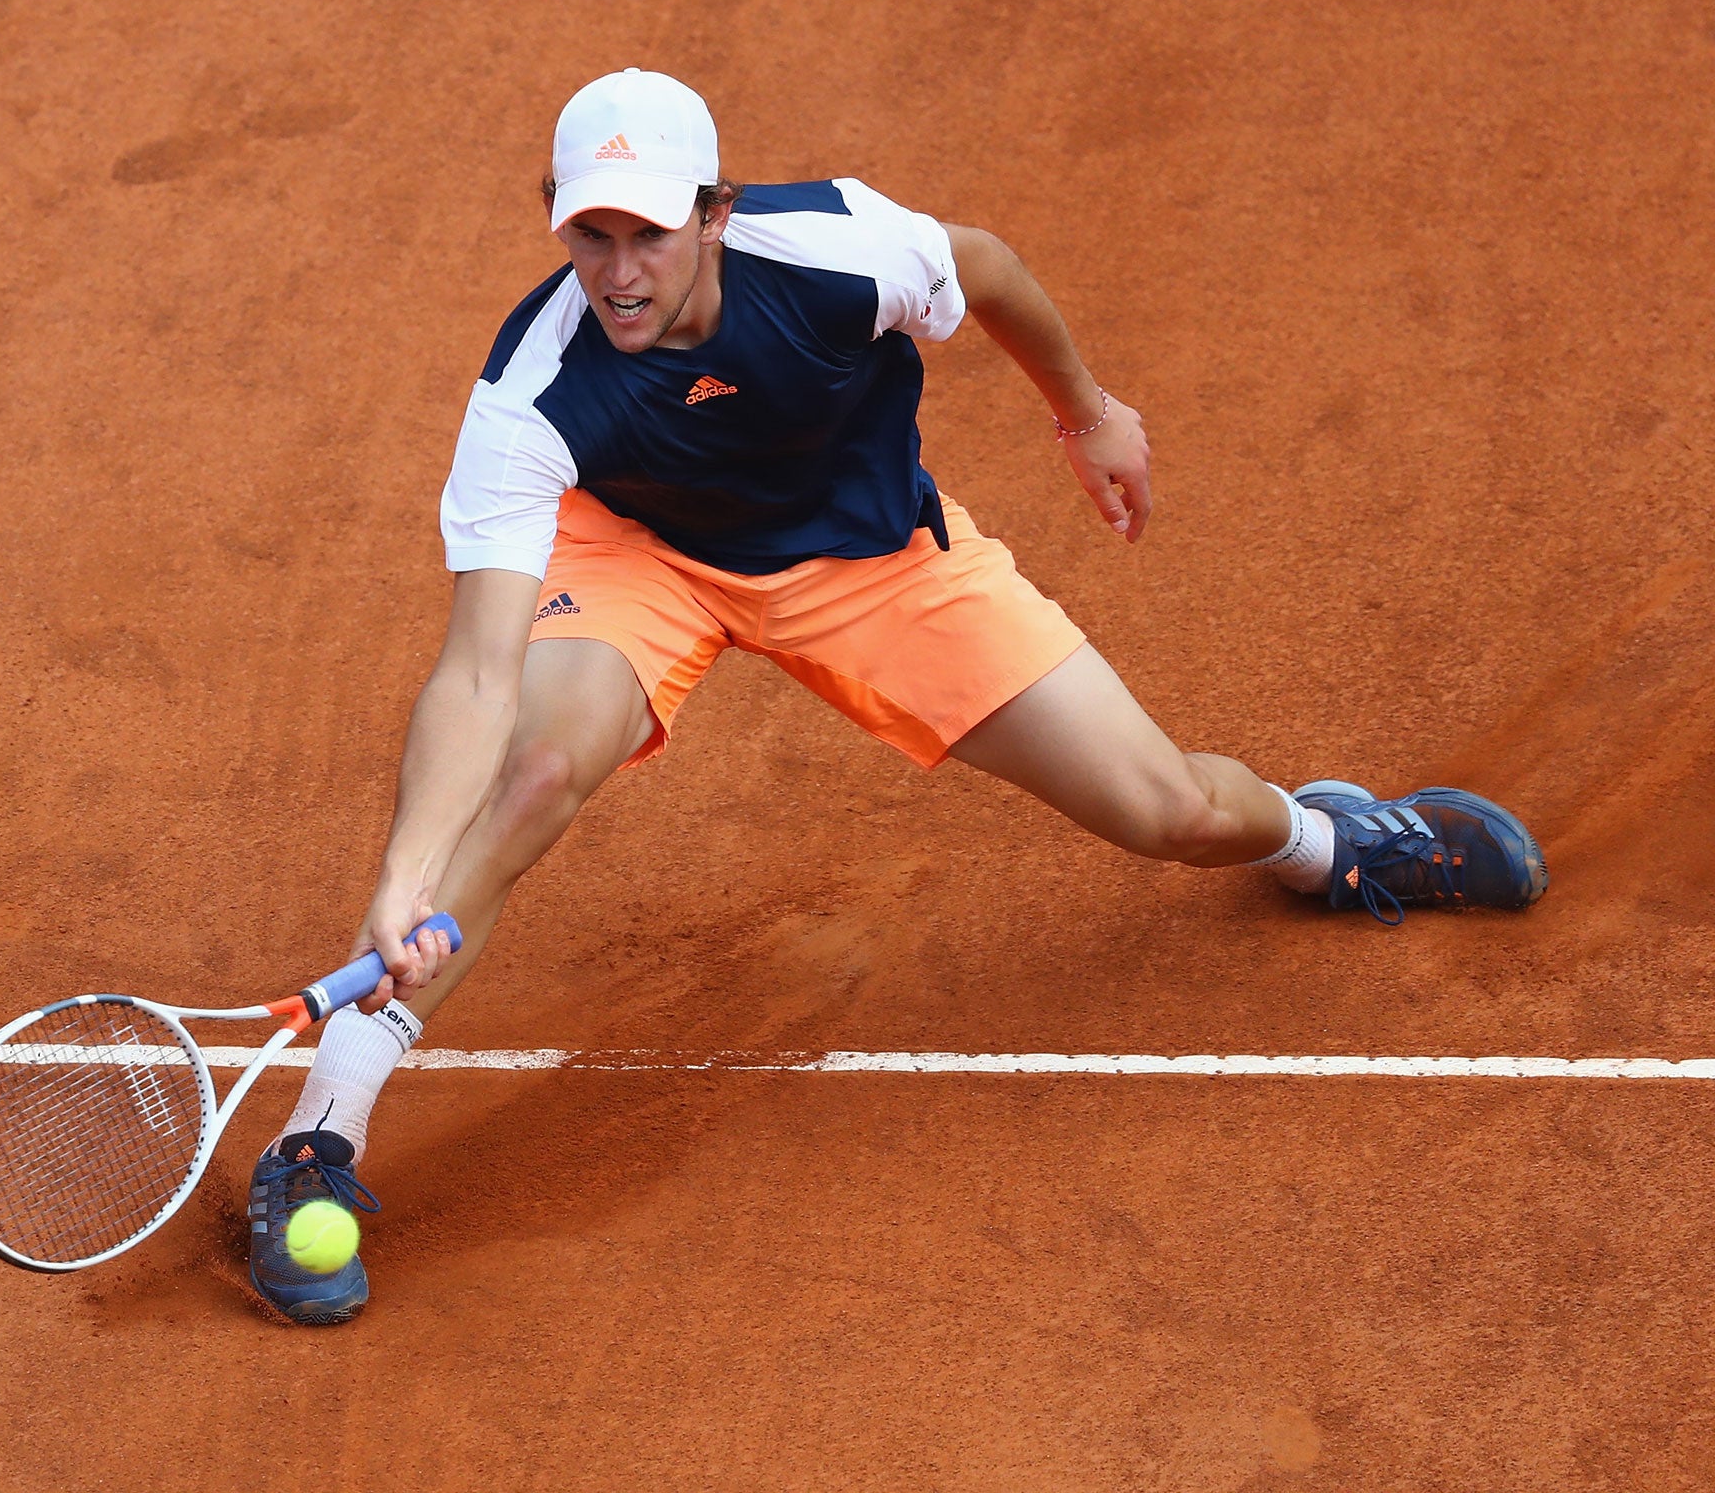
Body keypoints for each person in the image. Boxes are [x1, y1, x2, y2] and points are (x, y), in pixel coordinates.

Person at [244, 68, 1548, 1324]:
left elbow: (982, 266)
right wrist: (408, 877)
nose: (619, 270)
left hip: (866, 560)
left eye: (648, 232)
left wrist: (1084, 413)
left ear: (715, 215)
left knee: (1169, 809)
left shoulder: (837, 251)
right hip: (641, 555)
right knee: (530, 769)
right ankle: (318, 1137)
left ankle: (1331, 846)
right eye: (590, 233)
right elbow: (479, 667)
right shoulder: (533, 389)